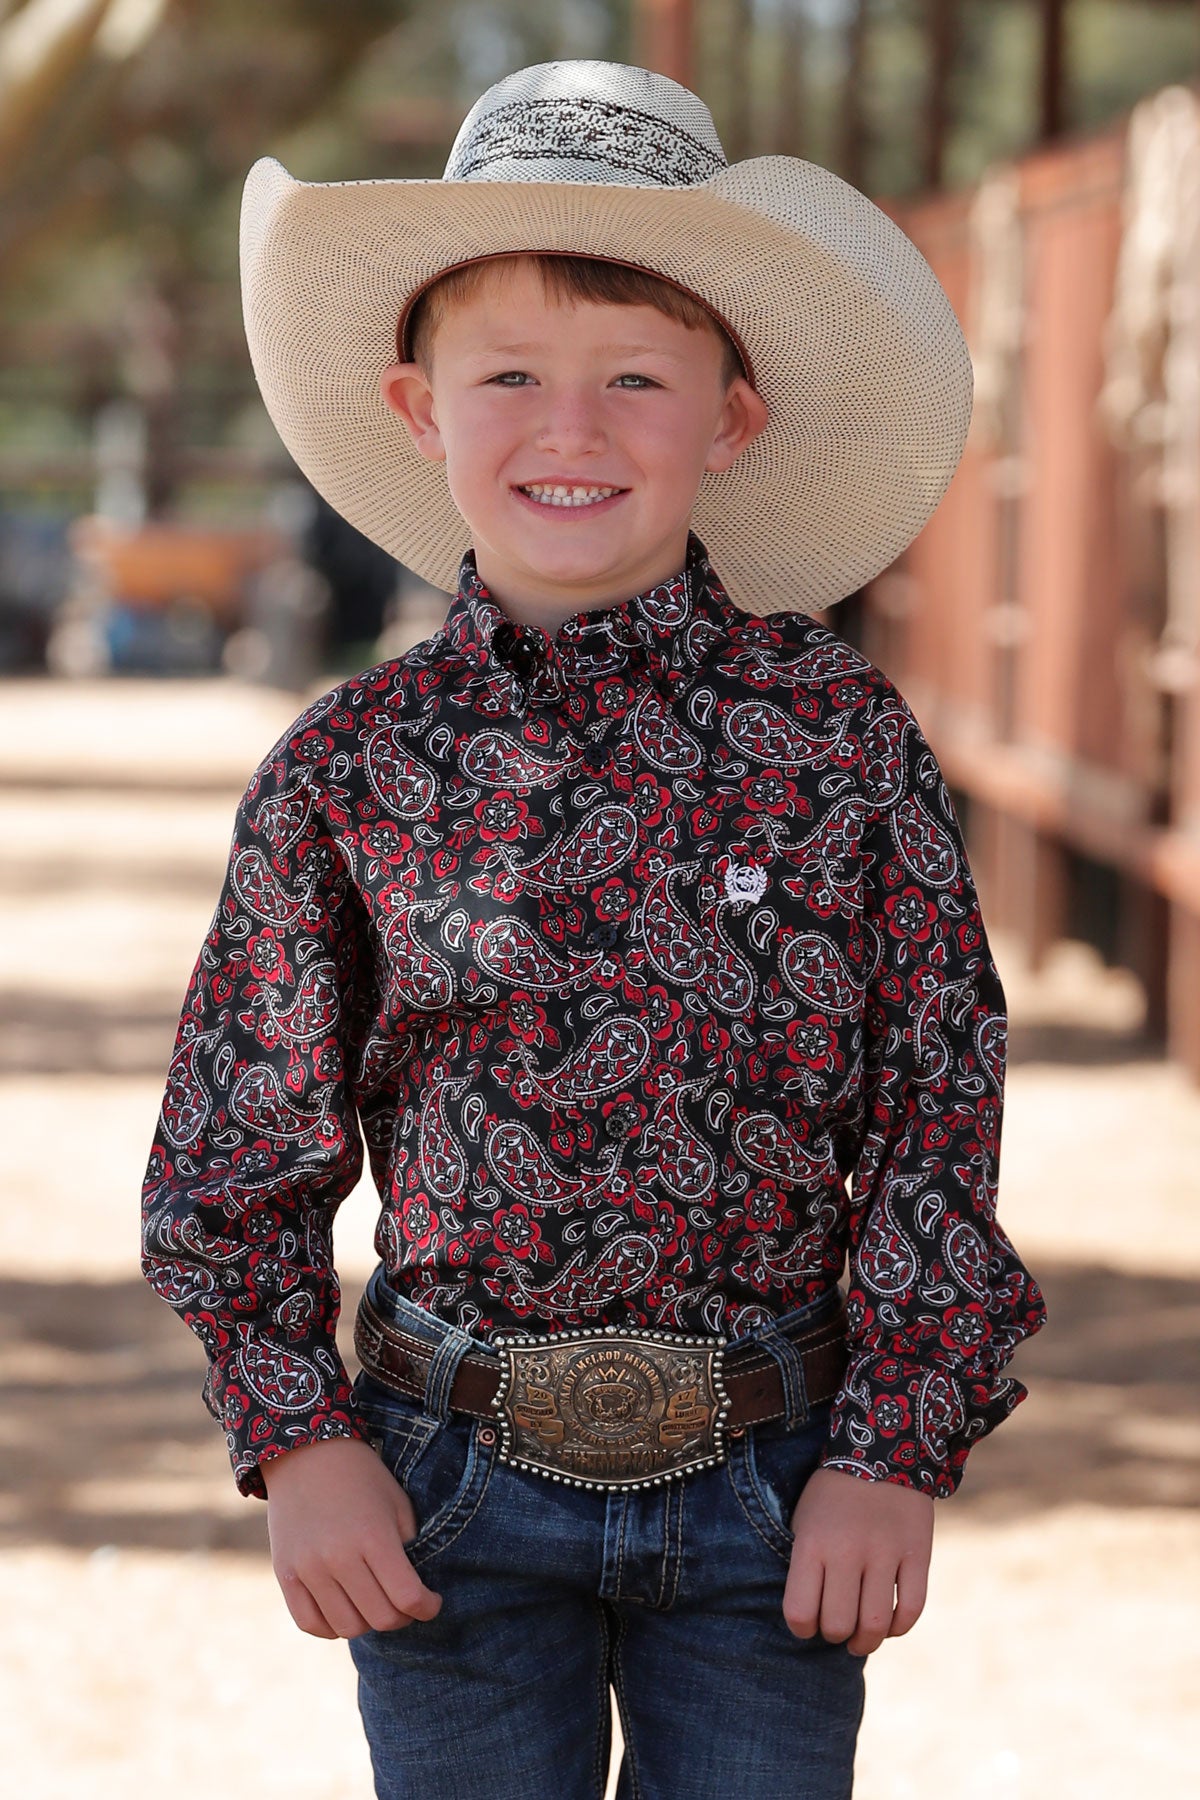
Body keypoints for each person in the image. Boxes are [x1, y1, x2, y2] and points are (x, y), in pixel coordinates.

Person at [141, 59, 1047, 1800]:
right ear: (419, 408)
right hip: (444, 1486)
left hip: (776, 1489)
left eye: (638, 376)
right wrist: (298, 1433)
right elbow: (238, 1144)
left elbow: (942, 1103)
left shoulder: (844, 747)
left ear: (733, 416)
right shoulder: (348, 772)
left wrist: (890, 1446)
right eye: (511, 378)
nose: (573, 429)